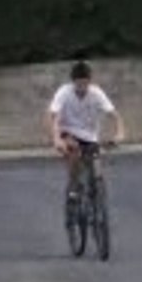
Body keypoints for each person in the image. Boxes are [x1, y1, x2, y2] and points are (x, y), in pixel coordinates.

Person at [47, 61, 125, 200]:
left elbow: (114, 115)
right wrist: (56, 139)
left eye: (85, 84)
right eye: (79, 84)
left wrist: (119, 133)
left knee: (95, 164)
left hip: (90, 136)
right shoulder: (64, 92)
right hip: (67, 131)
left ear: (90, 81)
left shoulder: (96, 93)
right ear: (73, 82)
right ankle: (74, 185)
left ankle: (96, 193)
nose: (82, 87)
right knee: (74, 151)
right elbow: (53, 115)